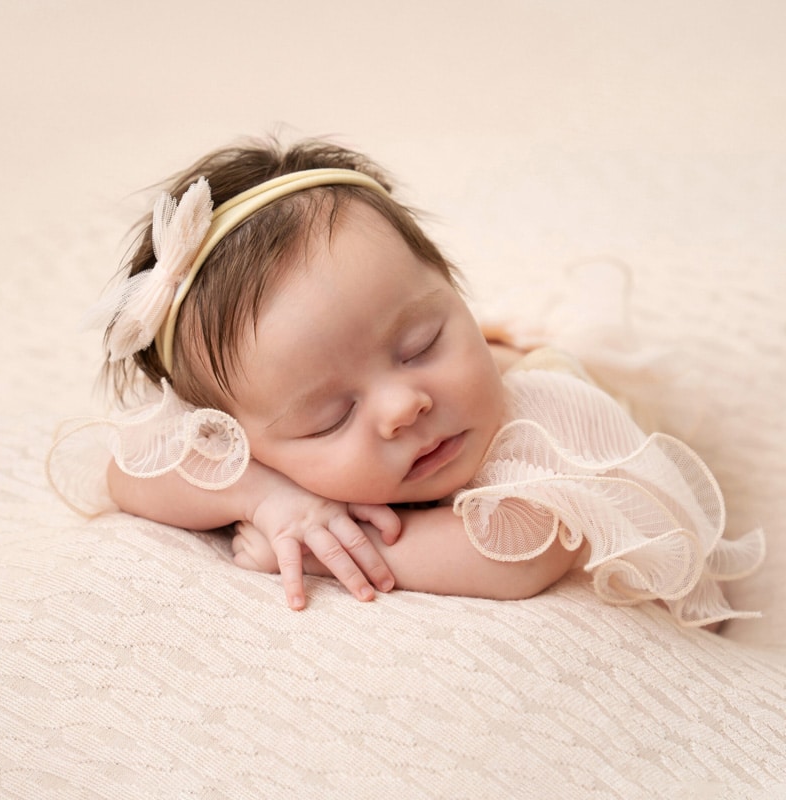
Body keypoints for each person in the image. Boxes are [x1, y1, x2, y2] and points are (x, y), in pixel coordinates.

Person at [47, 136, 764, 627]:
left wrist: (345, 558)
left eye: (422, 343)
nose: (401, 406)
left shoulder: (545, 418)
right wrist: (269, 499)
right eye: (329, 417)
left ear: (454, 291)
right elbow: (127, 472)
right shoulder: (252, 422)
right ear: (246, 434)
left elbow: (525, 549)